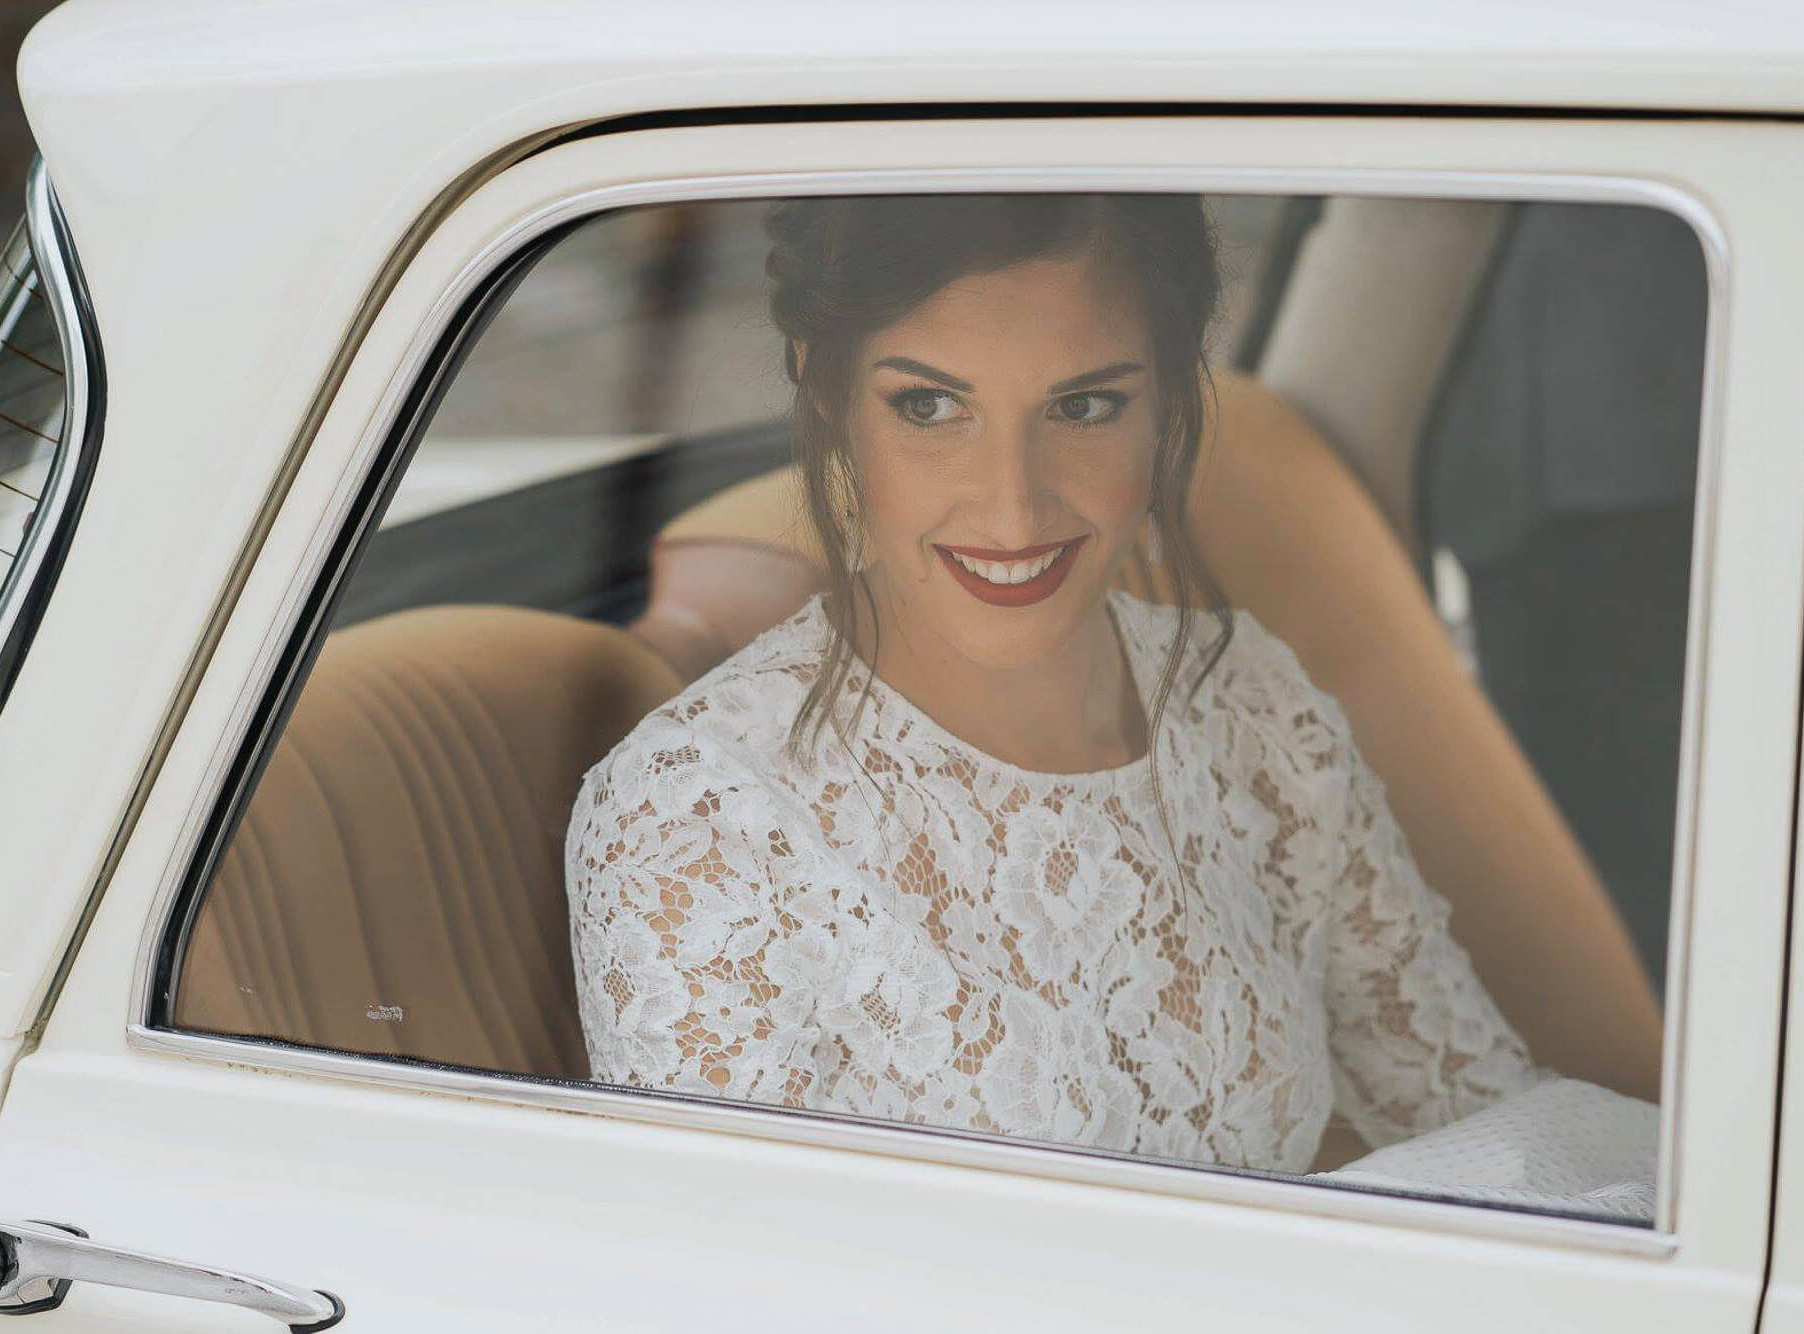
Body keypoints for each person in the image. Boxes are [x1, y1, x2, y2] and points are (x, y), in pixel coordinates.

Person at [566, 194, 1572, 1175]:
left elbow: (1479, 1115)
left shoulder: (1246, 699)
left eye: (1083, 406)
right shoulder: (700, 816)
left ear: (1167, 398)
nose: (1013, 509)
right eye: (929, 406)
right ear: (823, 390)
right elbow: (724, 1257)